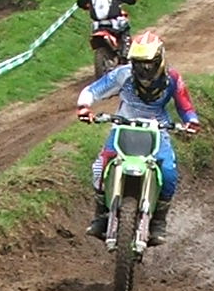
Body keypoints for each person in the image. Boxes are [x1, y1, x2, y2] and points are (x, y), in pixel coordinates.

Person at [75, 29, 199, 245]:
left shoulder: (172, 79)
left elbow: (185, 106)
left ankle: (158, 221)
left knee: (168, 173)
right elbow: (94, 90)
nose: (144, 69)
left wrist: (191, 122)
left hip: (157, 130)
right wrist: (84, 107)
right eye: (139, 63)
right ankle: (101, 216)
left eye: (149, 63)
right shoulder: (122, 74)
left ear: (159, 60)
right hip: (123, 126)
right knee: (99, 168)